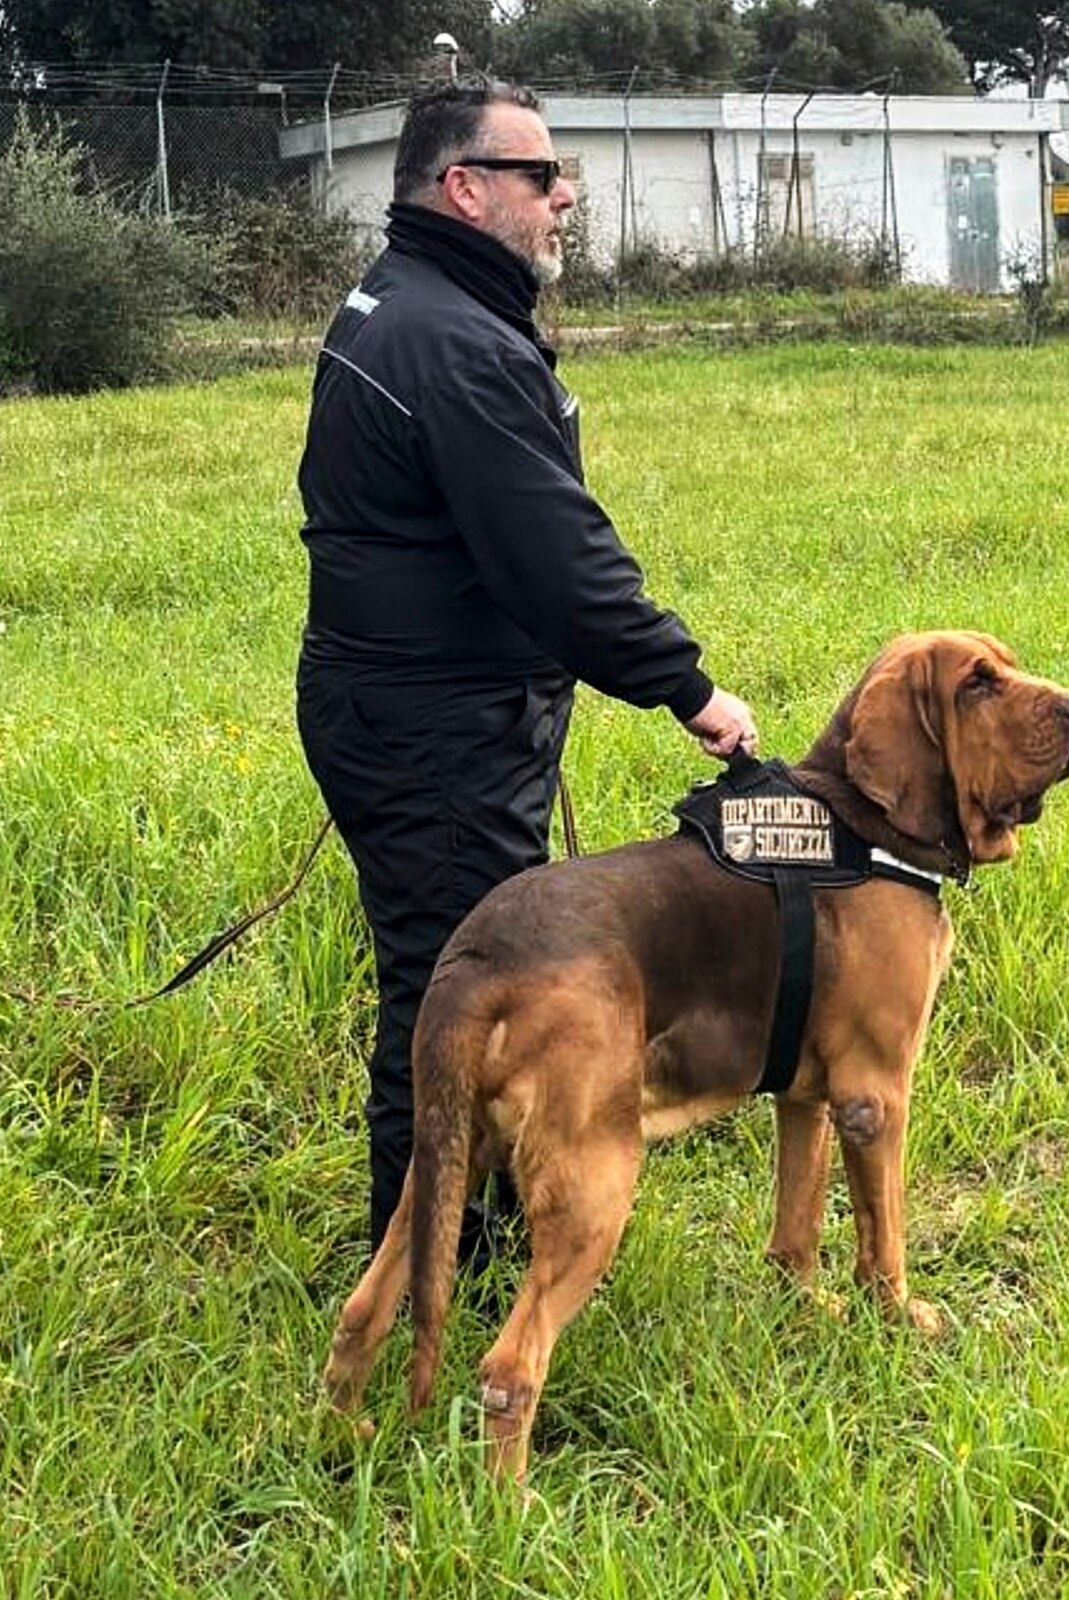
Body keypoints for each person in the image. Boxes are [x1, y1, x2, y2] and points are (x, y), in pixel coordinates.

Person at [294, 82, 760, 1265]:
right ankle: (427, 1271)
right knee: (452, 991)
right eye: (540, 177)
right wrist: (689, 688)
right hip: (433, 724)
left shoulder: (403, 304)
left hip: (398, 702)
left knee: (449, 970)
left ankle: (458, 1231)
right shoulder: (450, 340)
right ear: (465, 187)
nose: (562, 200)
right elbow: (557, 558)